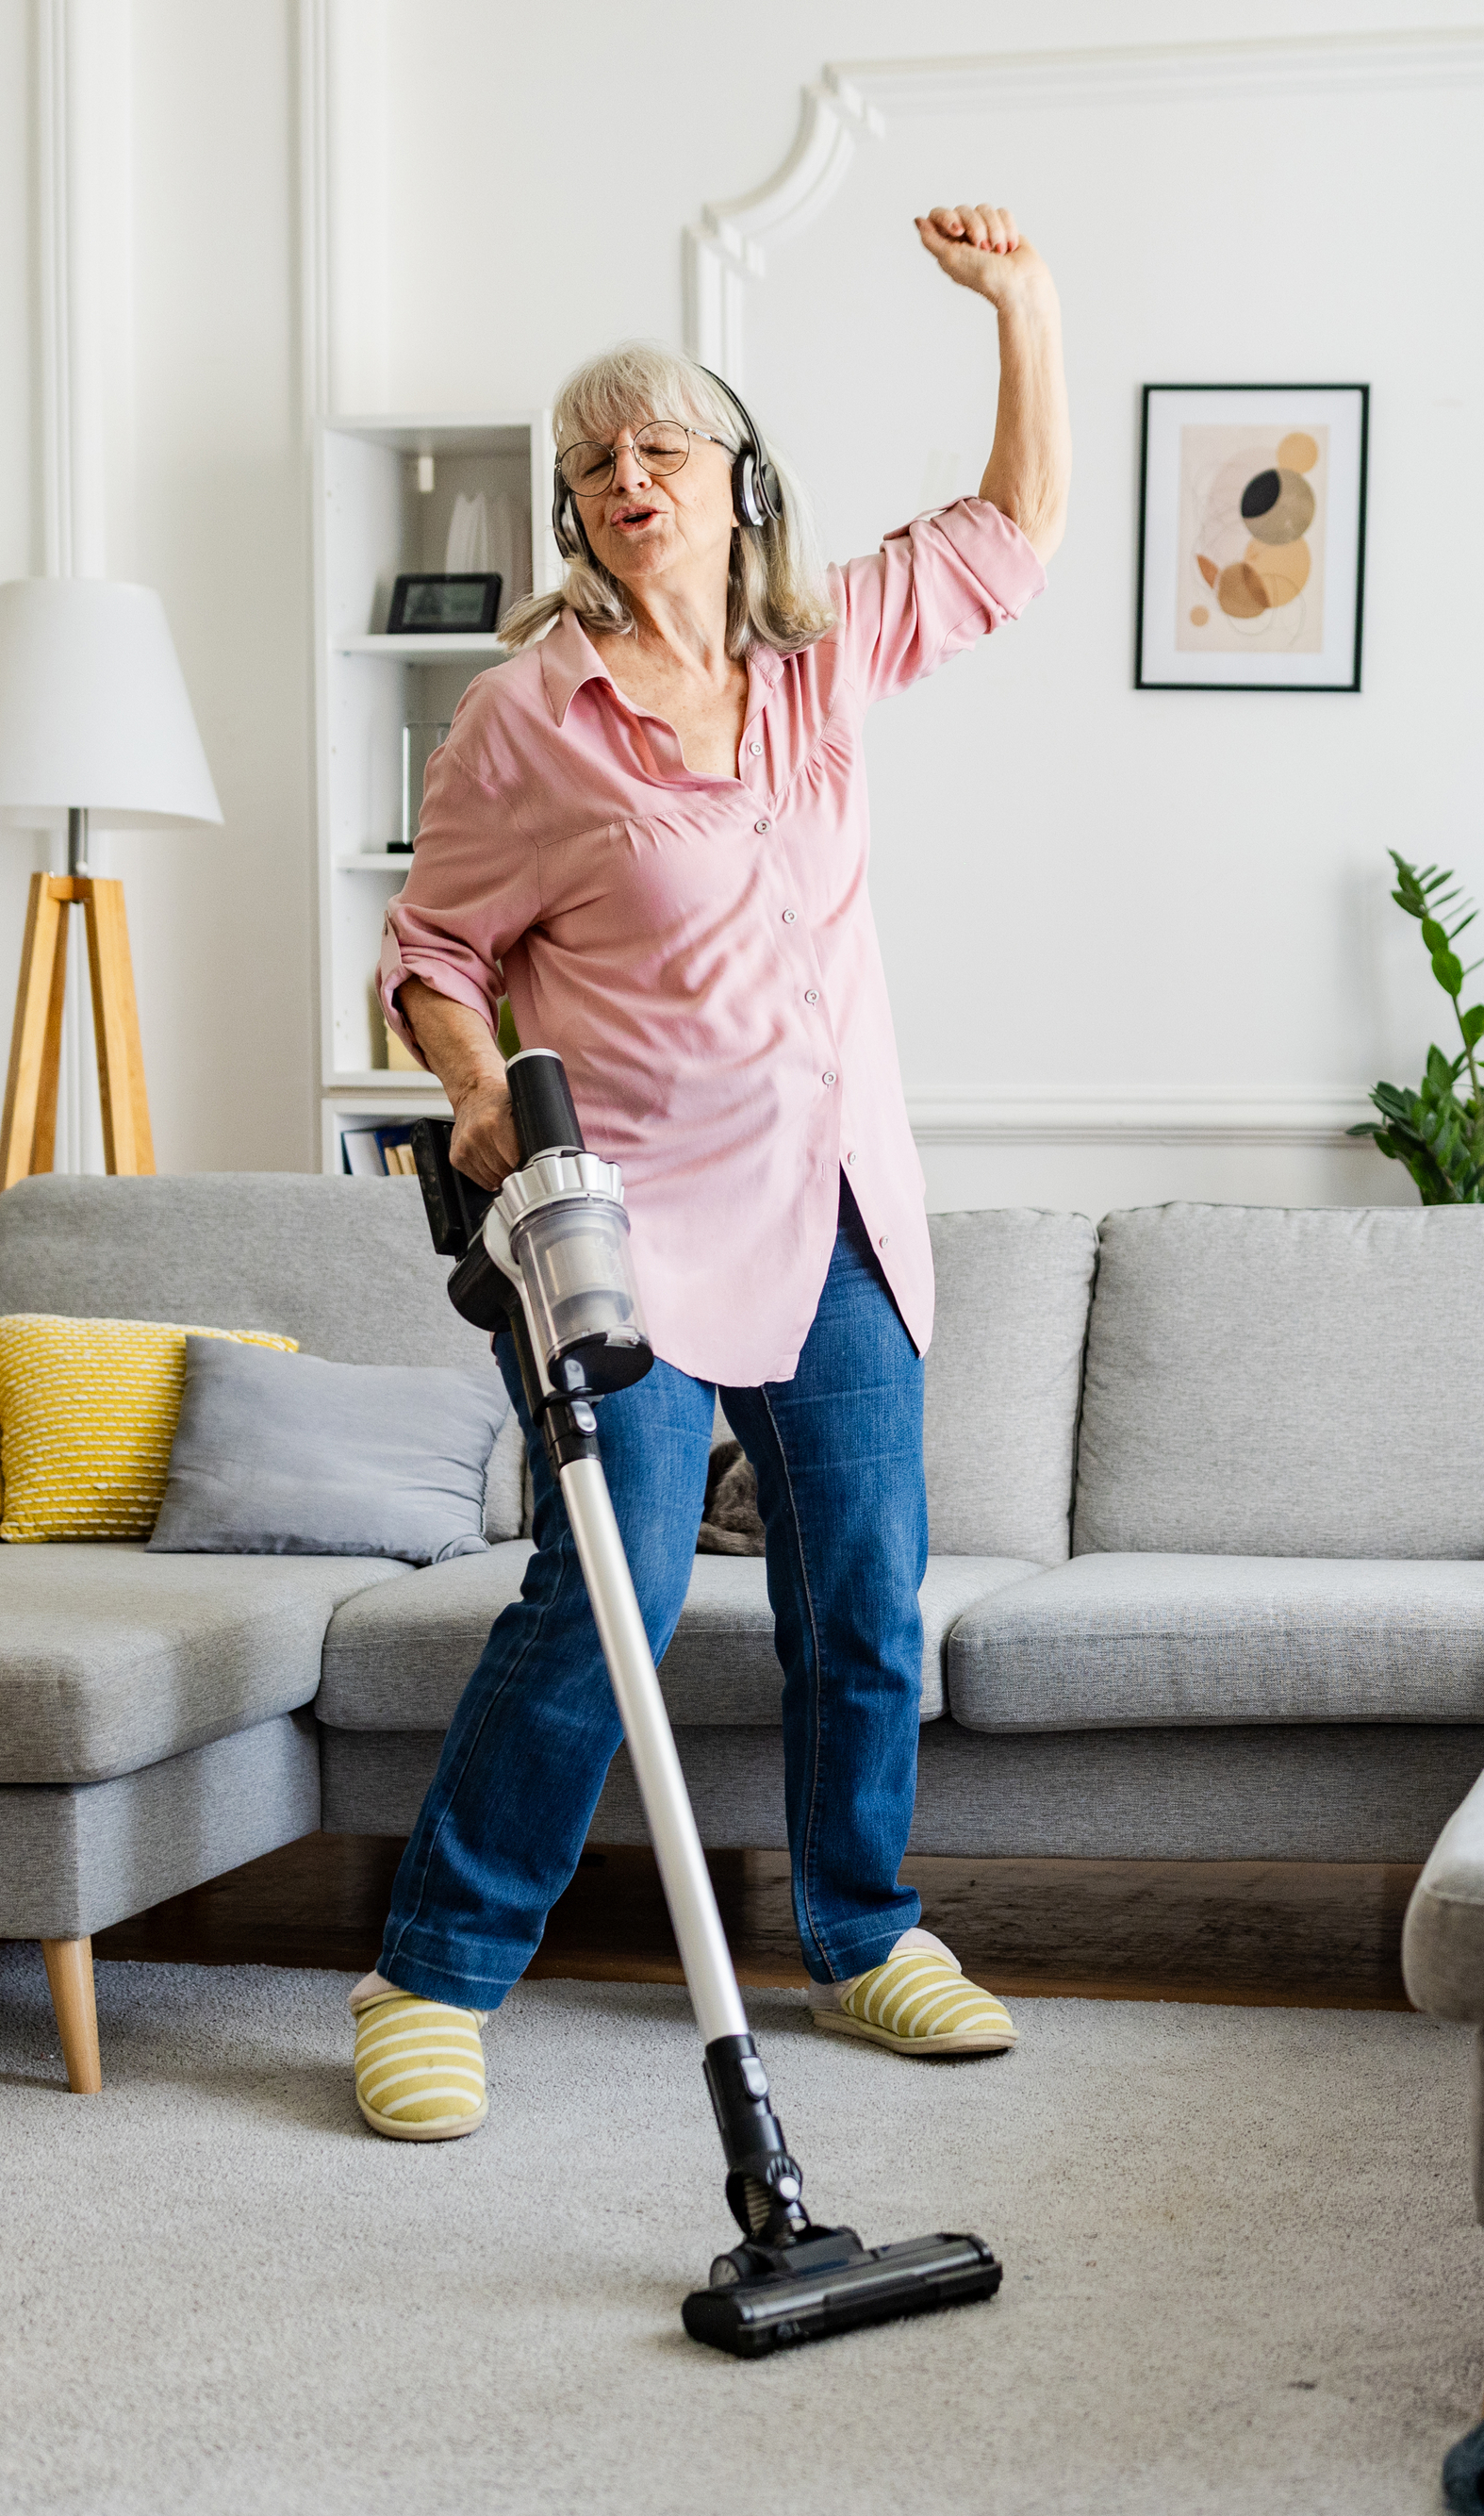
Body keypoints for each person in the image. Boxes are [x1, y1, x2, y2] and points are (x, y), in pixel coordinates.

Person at [348, 205, 1066, 2143]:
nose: (621, 475)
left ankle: (862, 1928)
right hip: (628, 1229)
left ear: (736, 479)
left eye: (656, 443)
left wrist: (1021, 305)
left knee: (865, 1584)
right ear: (577, 518)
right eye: (591, 462)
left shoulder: (820, 659)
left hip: (835, 1201)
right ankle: (431, 1968)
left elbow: (1012, 532)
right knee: (609, 1589)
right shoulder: (526, 720)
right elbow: (425, 952)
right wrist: (479, 1079)